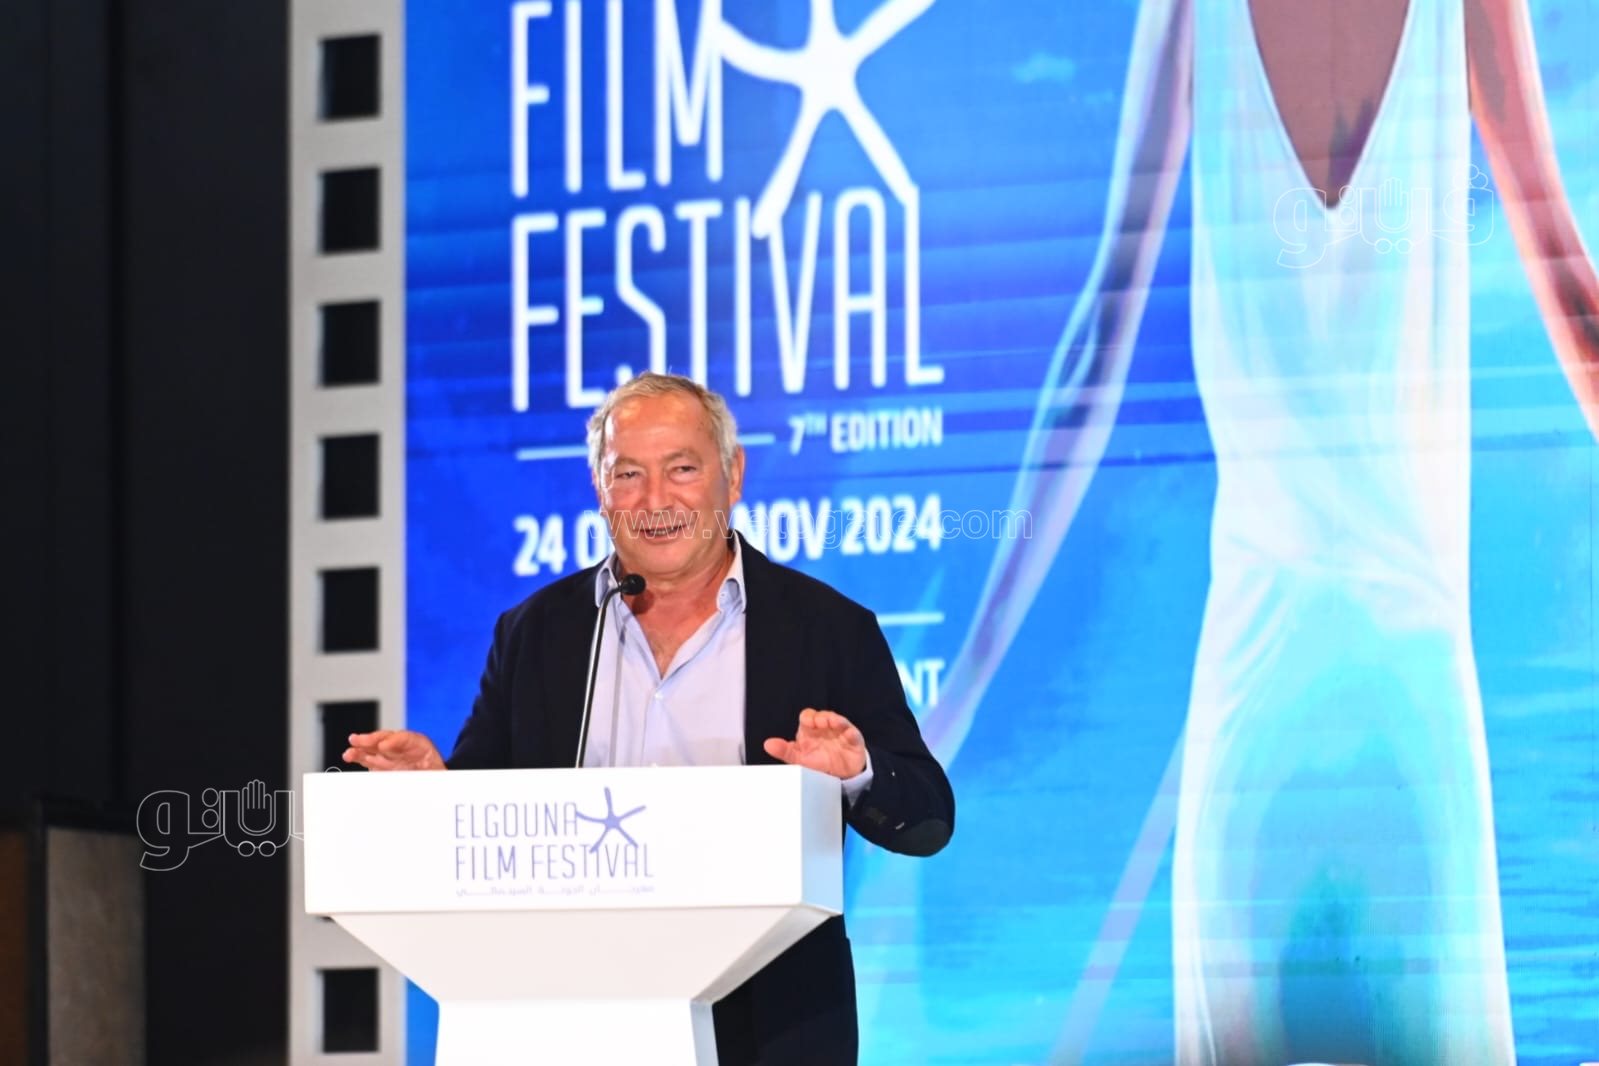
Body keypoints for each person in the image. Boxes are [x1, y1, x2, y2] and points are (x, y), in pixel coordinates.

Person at [921, 0, 1599, 1062]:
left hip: (1279, 698)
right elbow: (1572, 293)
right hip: (1387, 693)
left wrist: (963, 688)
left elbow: (1097, 347)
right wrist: (957, 696)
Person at [345, 371, 955, 1065]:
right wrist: (432, 797)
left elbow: (928, 818)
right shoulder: (536, 633)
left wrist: (856, 773)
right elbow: (489, 818)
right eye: (627, 474)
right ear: (599, 487)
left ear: (733, 474)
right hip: (564, 1017)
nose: (655, 500)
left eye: (682, 469)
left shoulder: (827, 629)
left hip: (768, 1029)